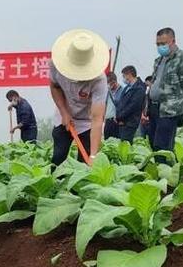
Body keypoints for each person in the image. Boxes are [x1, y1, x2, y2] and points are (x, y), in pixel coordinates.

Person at [49, 29, 109, 166]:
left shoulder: (99, 81)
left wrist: (93, 156)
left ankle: (78, 187)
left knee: (86, 160)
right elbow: (55, 87)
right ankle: (56, 185)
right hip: (63, 116)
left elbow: (97, 118)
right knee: (59, 157)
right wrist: (64, 112)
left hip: (87, 122)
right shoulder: (55, 65)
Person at [144, 27, 183, 160]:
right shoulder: (158, 60)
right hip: (154, 108)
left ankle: (166, 175)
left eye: (163, 43)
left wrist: (176, 101)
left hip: (169, 110)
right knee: (153, 143)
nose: (160, 46)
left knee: (163, 146)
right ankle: (159, 171)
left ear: (173, 41)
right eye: (158, 44)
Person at [115, 65, 146, 142]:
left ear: (129, 74)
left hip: (130, 123)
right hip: (122, 122)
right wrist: (118, 116)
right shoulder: (127, 88)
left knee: (126, 144)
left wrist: (120, 116)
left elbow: (133, 106)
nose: (123, 78)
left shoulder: (139, 89)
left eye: (124, 76)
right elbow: (121, 103)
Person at [103, 72, 124, 140]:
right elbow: (105, 104)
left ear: (114, 81)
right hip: (108, 121)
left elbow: (124, 106)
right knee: (107, 142)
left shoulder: (123, 91)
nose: (108, 85)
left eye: (109, 83)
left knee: (117, 142)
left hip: (117, 121)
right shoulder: (107, 92)